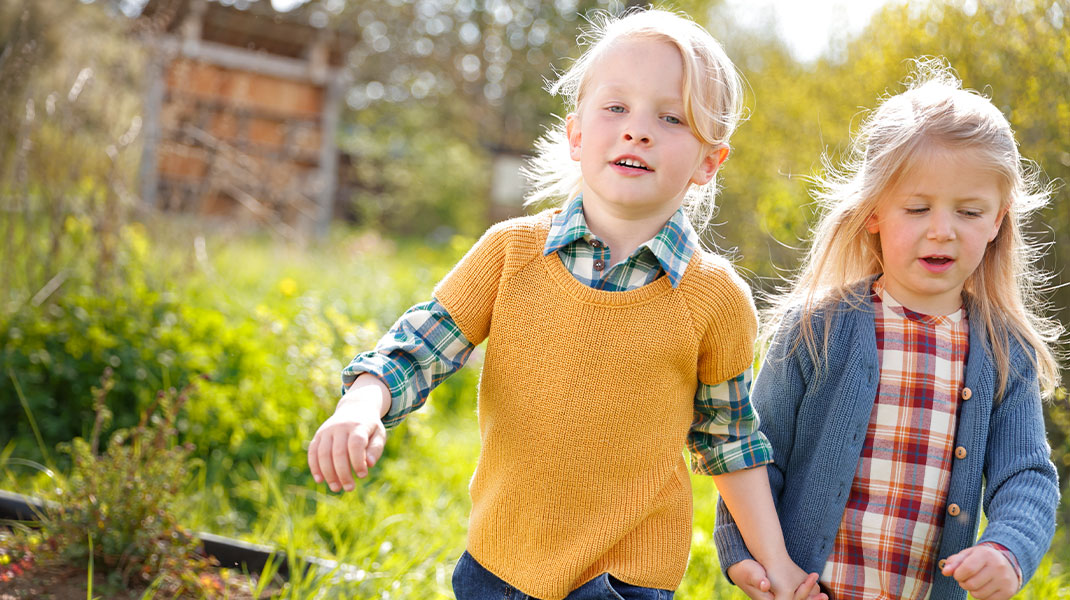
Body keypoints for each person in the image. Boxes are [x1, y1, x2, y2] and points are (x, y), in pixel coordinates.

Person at [308, 8, 822, 600]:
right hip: (500, 563)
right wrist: (361, 403)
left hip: (627, 580)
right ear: (576, 132)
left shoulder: (716, 299)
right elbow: (421, 346)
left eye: (672, 117)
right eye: (615, 108)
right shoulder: (510, 253)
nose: (638, 130)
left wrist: (777, 563)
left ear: (710, 161)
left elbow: (731, 441)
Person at [714, 58, 1062, 600]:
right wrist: (745, 560)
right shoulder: (817, 327)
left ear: (998, 220)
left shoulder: (1002, 350)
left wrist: (1007, 549)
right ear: (874, 209)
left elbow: (1027, 476)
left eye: (970, 212)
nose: (942, 231)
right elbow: (760, 452)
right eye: (917, 208)